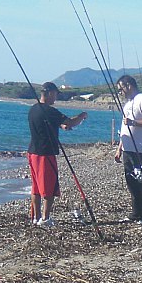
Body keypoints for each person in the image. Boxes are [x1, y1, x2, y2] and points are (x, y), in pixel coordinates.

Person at [27, 82, 87, 227]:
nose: (56, 97)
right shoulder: (49, 110)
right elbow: (71, 122)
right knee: (48, 187)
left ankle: (36, 217)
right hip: (45, 153)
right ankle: (45, 219)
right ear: (48, 93)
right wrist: (82, 116)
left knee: (36, 186)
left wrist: (62, 126)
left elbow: (57, 123)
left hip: (33, 152)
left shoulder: (33, 109)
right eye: (55, 94)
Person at [114, 75, 142, 225]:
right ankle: (136, 213)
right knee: (131, 181)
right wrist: (120, 148)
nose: (120, 92)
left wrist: (134, 122)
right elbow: (124, 127)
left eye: (121, 89)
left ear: (128, 86)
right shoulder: (127, 105)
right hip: (128, 149)